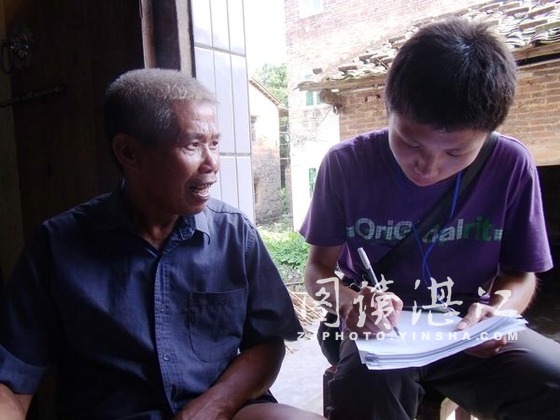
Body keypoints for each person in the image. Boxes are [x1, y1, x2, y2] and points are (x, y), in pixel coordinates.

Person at [0, 68, 324, 420]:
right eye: (192, 145)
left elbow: (268, 342)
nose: (212, 163)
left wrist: (217, 404)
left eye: (214, 143)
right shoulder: (57, 246)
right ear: (129, 153)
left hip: (224, 412)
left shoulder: (235, 234)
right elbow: (12, 378)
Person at [300, 17, 560, 420]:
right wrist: (349, 302)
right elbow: (317, 270)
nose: (428, 166)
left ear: (487, 133)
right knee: (364, 390)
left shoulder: (510, 163)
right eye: (409, 142)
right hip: (380, 330)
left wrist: (499, 310)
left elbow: (520, 274)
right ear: (388, 109)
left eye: (456, 153)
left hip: (466, 329)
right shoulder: (346, 164)